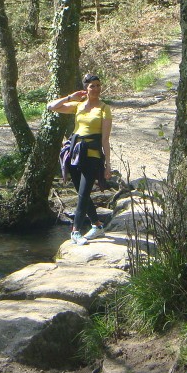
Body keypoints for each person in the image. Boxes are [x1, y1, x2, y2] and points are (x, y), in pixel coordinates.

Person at [47, 72, 112, 245]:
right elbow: (51, 107)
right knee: (82, 193)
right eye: (92, 86)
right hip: (75, 154)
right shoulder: (79, 105)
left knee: (83, 194)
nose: (96, 89)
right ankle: (97, 225)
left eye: (98, 85)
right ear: (86, 89)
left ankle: (75, 232)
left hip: (92, 156)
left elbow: (105, 139)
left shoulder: (104, 109)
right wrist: (70, 97)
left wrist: (108, 165)